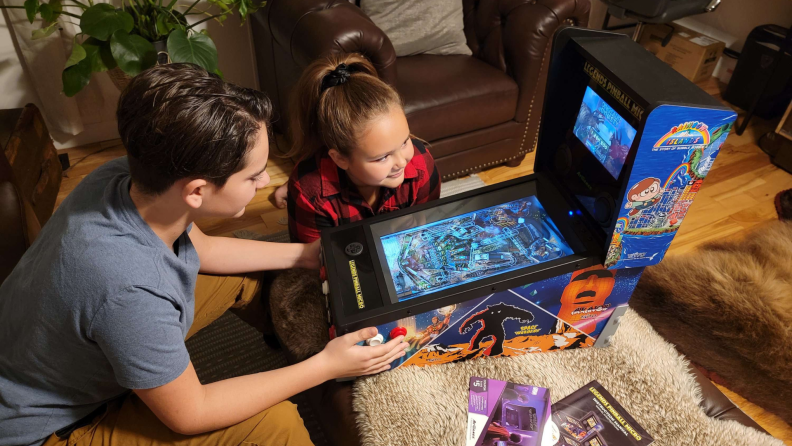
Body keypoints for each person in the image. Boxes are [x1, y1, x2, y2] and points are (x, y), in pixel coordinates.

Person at [0, 63, 408, 446]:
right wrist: (325, 366)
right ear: (196, 190)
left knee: (250, 273)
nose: (266, 181)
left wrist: (303, 254)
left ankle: (290, 341)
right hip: (47, 427)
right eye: (253, 176)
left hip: (36, 348)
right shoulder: (128, 289)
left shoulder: (121, 177)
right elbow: (191, 413)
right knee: (278, 428)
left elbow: (202, 249)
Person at [270, 53, 441, 243]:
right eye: (382, 157)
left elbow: (430, 226)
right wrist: (385, 232)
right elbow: (317, 263)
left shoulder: (420, 163)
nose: (402, 162)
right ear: (340, 159)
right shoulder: (311, 194)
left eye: (404, 141)